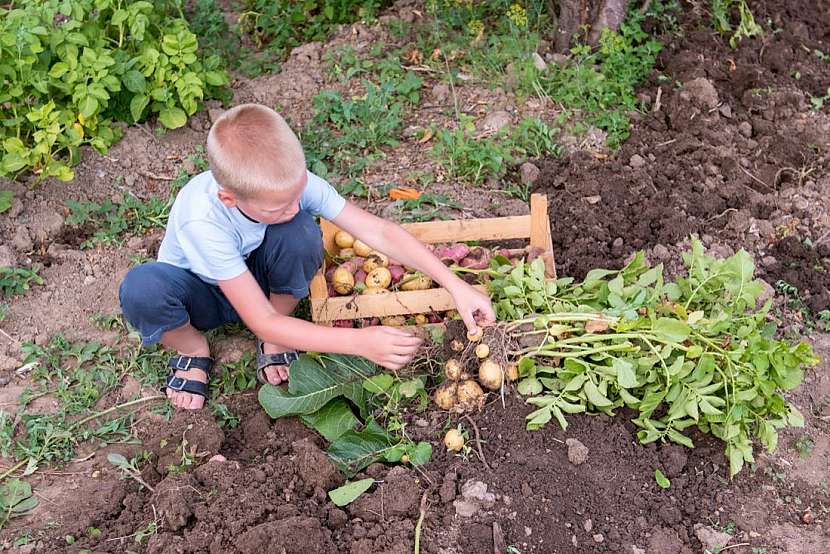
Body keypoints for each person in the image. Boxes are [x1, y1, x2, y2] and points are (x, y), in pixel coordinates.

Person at [119, 103, 496, 410]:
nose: (296, 204)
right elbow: (260, 320)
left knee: (300, 231)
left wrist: (455, 284)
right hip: (200, 293)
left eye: (299, 193)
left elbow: (379, 232)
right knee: (142, 289)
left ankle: (279, 337)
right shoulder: (202, 222)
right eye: (280, 206)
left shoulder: (285, 187)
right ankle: (193, 348)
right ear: (229, 199)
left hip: (255, 279)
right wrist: (361, 343)